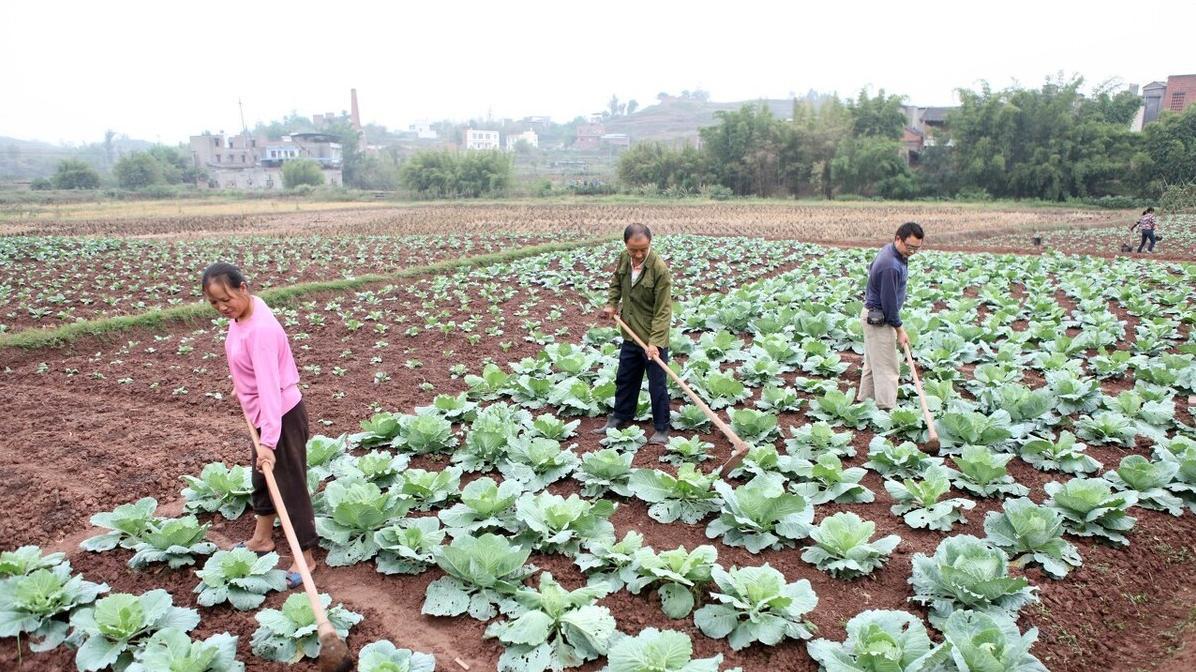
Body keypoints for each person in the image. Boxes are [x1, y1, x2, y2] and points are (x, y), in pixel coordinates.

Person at [202, 262, 316, 590]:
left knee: (288, 486)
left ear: (243, 288)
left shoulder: (261, 329)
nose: (223, 308)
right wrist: (242, 384)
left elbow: (270, 389)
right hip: (262, 414)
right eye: (214, 304)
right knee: (262, 479)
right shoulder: (244, 314)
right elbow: (250, 365)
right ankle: (262, 539)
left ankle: (304, 555)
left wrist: (269, 441)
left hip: (280, 414)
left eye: (226, 299)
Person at [593, 223, 674, 445]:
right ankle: (620, 417)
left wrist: (655, 342)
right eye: (633, 250)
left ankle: (661, 429)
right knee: (625, 378)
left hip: (651, 337)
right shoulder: (623, 259)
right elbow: (616, 284)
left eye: (643, 249)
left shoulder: (659, 269)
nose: (638, 254)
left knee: (657, 384)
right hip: (630, 333)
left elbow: (663, 310)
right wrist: (611, 304)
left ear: (650, 244)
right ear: (626, 245)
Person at [857, 222, 923, 410]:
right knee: (887, 368)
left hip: (872, 315)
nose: (912, 252)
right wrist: (900, 330)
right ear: (898, 239)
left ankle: (865, 402)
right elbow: (889, 304)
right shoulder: (890, 265)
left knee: (873, 363)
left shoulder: (893, 252)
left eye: (916, 248)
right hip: (879, 320)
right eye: (909, 247)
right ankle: (886, 409)